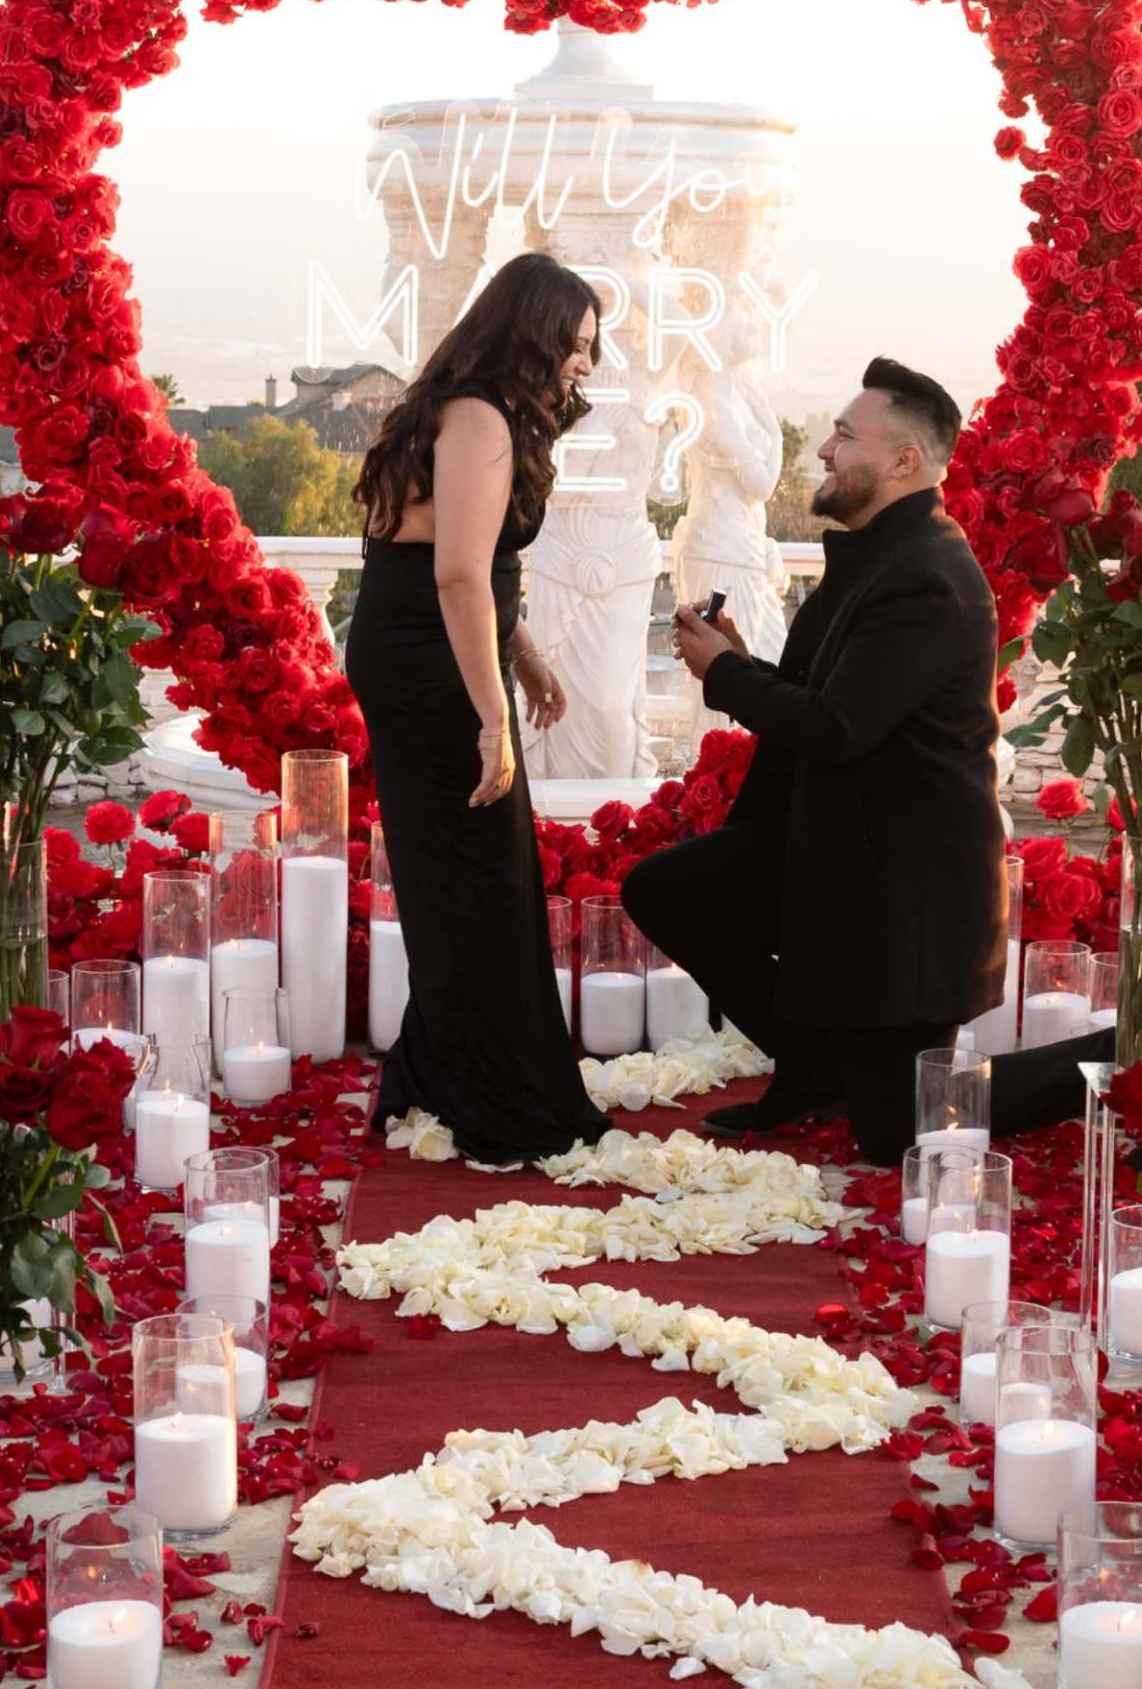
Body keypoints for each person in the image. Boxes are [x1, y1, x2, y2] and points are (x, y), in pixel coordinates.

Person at [625, 359, 1005, 1160]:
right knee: (667, 890)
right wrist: (740, 661)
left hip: (904, 904)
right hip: (839, 853)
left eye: (843, 435)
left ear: (904, 462)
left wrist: (723, 677)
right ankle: (810, 1060)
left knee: (892, 1135)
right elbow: (833, 699)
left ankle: (1104, 1065)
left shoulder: (927, 576)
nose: (824, 451)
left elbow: (838, 727)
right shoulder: (878, 557)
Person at [346, 251, 610, 1164]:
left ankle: (441, 1072)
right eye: (574, 344)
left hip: (429, 643)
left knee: (462, 873)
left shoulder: (460, 409)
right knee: (479, 875)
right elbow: (456, 573)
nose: (584, 363)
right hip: (430, 660)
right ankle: (491, 1095)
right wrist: (494, 713)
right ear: (529, 333)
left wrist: (523, 654)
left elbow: (478, 566)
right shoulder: (478, 417)